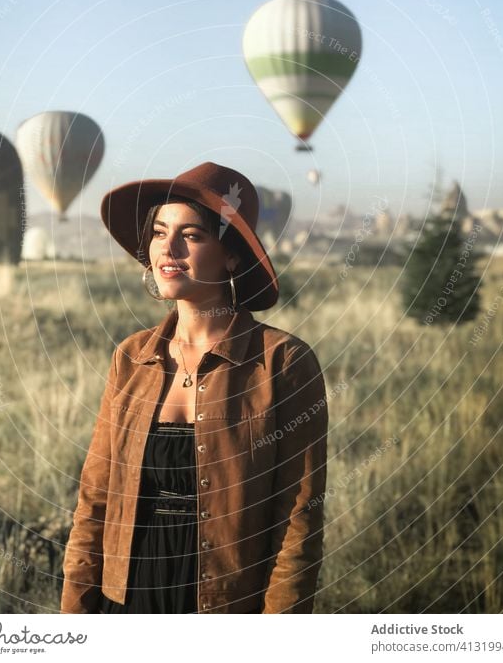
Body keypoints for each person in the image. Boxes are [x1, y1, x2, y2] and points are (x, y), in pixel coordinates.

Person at [60, 161, 328, 614]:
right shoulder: (131, 358)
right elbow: (95, 500)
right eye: (160, 232)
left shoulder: (283, 362)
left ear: (231, 255)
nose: (169, 249)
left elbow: (297, 519)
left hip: (224, 603)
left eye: (192, 235)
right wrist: (74, 614)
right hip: (124, 595)